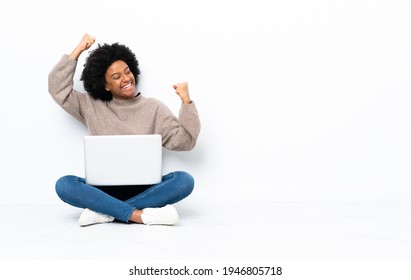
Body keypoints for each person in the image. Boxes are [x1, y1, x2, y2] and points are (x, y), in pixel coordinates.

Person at [48, 33, 201, 226]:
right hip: (103, 189)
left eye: (127, 71)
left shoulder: (154, 107)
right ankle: (138, 215)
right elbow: (57, 88)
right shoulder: (90, 105)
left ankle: (105, 212)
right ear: (105, 85)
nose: (126, 78)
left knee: (184, 180)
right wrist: (77, 51)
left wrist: (186, 103)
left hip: (145, 189)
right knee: (64, 184)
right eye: (116, 76)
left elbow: (185, 142)